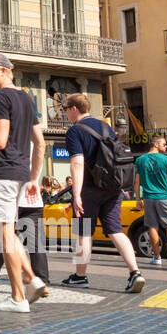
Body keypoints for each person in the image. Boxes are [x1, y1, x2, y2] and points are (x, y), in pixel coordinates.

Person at [0, 52, 47, 313]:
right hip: (19, 174)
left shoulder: (1, 97)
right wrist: (33, 178)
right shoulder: (27, 98)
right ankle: (30, 278)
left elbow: (0, 140)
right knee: (8, 232)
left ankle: (18, 297)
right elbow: (40, 143)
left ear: (2, 70)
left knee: (4, 234)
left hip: (3, 172)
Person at [62, 93, 145, 293]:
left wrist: (77, 194)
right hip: (113, 187)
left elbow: (77, 163)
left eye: (66, 109)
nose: (65, 114)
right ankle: (135, 272)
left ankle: (80, 276)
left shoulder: (75, 132)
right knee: (116, 230)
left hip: (90, 189)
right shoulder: (106, 127)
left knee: (83, 233)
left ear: (74, 109)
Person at [0, 179, 50, 295]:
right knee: (35, 243)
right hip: (33, 200)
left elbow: (0, 173)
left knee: (3, 238)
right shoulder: (36, 159)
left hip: (11, 198)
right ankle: (40, 281)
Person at [134, 134, 167, 267]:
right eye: (164, 144)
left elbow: (137, 182)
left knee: (152, 227)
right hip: (165, 197)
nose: (166, 146)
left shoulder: (140, 160)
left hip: (149, 198)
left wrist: (138, 199)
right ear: (156, 144)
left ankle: (157, 257)